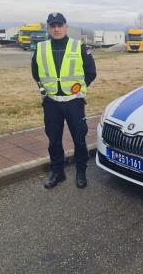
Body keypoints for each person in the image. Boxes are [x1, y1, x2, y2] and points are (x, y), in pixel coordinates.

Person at [32, 12, 96, 189]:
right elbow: (36, 73)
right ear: (48, 28)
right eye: (52, 26)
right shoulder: (41, 48)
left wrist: (79, 89)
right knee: (54, 141)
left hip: (73, 102)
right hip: (51, 103)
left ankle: (81, 171)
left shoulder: (79, 46)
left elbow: (91, 72)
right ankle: (57, 172)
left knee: (79, 140)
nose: (56, 29)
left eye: (59, 25)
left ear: (66, 27)